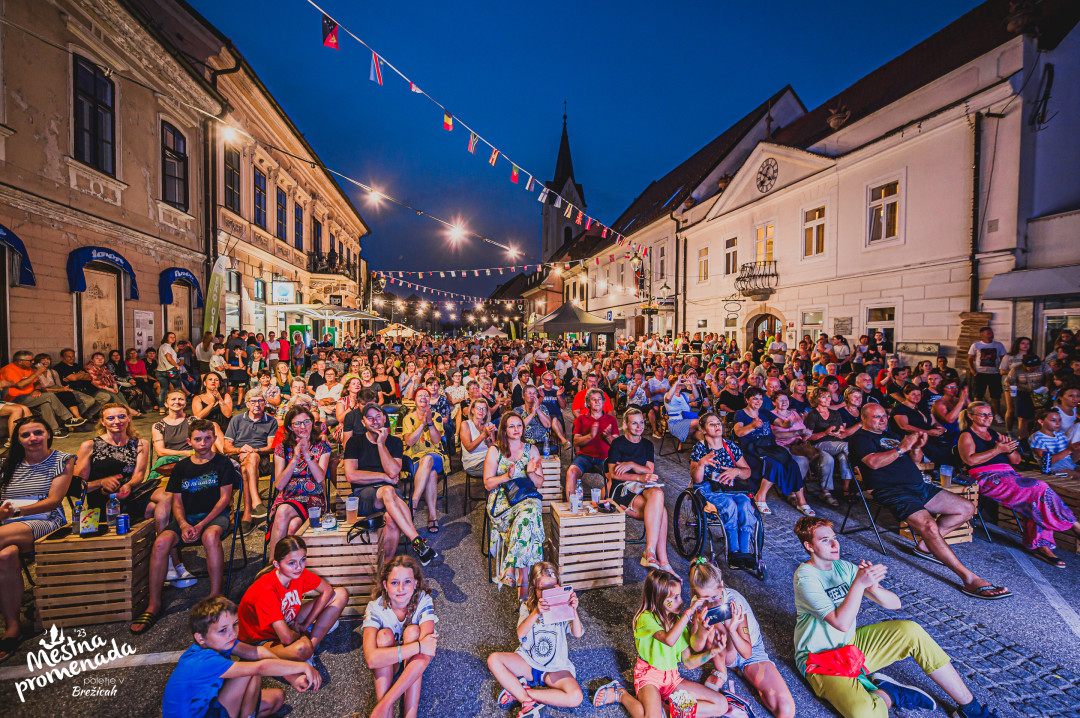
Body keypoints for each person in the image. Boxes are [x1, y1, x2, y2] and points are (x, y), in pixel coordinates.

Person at [792, 516, 998, 718]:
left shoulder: (843, 567)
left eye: (834, 537)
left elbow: (894, 604)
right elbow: (841, 623)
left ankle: (970, 708)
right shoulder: (805, 578)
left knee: (912, 631)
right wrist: (859, 584)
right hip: (819, 659)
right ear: (809, 546)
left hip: (850, 646)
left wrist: (873, 588)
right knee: (864, 715)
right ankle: (889, 692)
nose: (834, 543)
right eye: (825, 540)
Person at [850, 403, 1010, 599]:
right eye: (876, 417)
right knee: (929, 526)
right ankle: (969, 579)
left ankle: (926, 546)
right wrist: (901, 448)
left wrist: (916, 448)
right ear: (864, 419)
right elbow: (873, 463)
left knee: (967, 508)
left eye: (884, 415)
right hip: (893, 491)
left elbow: (914, 460)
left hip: (919, 487)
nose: (883, 420)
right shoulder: (860, 438)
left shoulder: (891, 434)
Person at [131, 419, 237, 635]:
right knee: (161, 542)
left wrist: (201, 524)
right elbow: (176, 501)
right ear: (190, 441)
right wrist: (183, 523)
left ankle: (215, 596)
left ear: (215, 439)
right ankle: (154, 603)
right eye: (198, 439)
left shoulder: (223, 463)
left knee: (210, 537)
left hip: (214, 517)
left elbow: (224, 499)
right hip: (187, 518)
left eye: (208, 438)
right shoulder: (182, 467)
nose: (204, 443)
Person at [958, 401, 1079, 568]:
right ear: (971, 416)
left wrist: (1008, 448)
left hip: (1009, 474)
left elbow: (1016, 460)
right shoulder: (967, 435)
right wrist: (997, 450)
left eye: (990, 414)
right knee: (1039, 488)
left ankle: (1041, 546)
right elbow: (969, 460)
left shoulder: (994, 434)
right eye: (982, 414)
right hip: (987, 477)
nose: (988, 418)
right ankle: (1072, 526)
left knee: (1037, 498)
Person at [161, 596, 319, 718]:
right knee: (252, 667)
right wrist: (304, 666)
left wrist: (292, 678)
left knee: (277, 698)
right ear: (200, 638)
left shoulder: (219, 642)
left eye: (235, 624)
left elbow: (260, 652)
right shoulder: (203, 661)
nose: (232, 633)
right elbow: (260, 666)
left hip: (209, 705)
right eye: (223, 630)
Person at [0, 417, 73, 662]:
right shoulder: (7, 463)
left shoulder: (62, 460)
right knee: (5, 555)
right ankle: (12, 627)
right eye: (25, 435)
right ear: (17, 440)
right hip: (7, 523)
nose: (32, 438)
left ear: (49, 434)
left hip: (45, 521)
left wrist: (17, 512)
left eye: (37, 432)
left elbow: (53, 501)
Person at [688, 559, 796, 718]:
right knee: (713, 629)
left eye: (714, 597)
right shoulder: (697, 604)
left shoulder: (734, 601)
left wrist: (732, 629)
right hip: (721, 652)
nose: (711, 603)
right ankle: (721, 671)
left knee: (785, 709)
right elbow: (696, 647)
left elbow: (747, 652)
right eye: (704, 598)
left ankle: (740, 670)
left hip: (750, 653)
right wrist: (702, 630)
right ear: (696, 593)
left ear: (722, 586)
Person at [343, 403, 436, 565]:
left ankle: (387, 566)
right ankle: (416, 540)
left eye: (378, 417)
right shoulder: (354, 443)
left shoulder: (394, 442)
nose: (375, 421)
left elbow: (393, 472)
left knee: (390, 518)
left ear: (385, 419)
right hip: (364, 496)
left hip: (392, 497)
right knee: (387, 490)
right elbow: (351, 475)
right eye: (370, 418)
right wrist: (383, 477)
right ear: (363, 422)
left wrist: (380, 444)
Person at [487, 561, 584, 718]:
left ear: (558, 585)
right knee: (493, 659)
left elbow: (578, 634)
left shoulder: (563, 606)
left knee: (576, 697)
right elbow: (520, 634)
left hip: (554, 669)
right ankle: (526, 700)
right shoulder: (528, 606)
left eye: (551, 588)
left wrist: (573, 610)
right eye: (542, 590)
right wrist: (536, 612)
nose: (547, 593)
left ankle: (520, 692)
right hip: (528, 664)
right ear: (534, 588)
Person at [631, 569, 729, 717]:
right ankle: (621, 695)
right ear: (659, 598)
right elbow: (669, 640)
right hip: (649, 678)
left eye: (680, 596)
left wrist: (713, 652)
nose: (682, 601)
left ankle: (667, 711)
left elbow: (689, 662)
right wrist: (689, 612)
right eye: (675, 597)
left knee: (721, 705)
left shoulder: (677, 622)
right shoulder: (646, 618)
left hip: (672, 680)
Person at [238, 535, 347, 665]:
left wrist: (304, 625)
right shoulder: (266, 589)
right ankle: (306, 647)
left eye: (302, 560)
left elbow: (327, 590)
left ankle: (310, 649)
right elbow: (286, 638)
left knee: (340, 594)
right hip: (261, 639)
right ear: (277, 564)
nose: (299, 567)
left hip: (287, 622)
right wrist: (297, 632)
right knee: (302, 648)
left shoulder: (297, 574)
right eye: (292, 562)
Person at [362, 555, 438, 718]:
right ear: (385, 584)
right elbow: (371, 660)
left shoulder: (424, 601)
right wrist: (419, 646)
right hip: (391, 659)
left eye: (407, 582)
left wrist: (386, 702)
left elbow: (426, 655)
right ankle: (386, 714)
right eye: (394, 582)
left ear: (416, 582)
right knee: (383, 635)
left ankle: (395, 710)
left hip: (412, 661)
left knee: (412, 632)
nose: (401, 588)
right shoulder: (375, 608)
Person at [483, 412, 545, 599]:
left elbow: (539, 483)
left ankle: (511, 568)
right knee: (528, 521)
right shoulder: (495, 450)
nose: (516, 429)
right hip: (502, 501)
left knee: (528, 513)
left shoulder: (531, 450)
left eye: (519, 425)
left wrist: (531, 473)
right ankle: (523, 580)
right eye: (511, 426)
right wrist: (506, 477)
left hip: (526, 497)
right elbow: (487, 484)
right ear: (504, 429)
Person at [689, 413, 759, 569]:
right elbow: (697, 479)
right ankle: (733, 550)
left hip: (731, 488)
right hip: (709, 489)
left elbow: (747, 471)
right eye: (711, 424)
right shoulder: (700, 447)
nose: (716, 426)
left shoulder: (731, 446)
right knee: (729, 505)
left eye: (718, 423)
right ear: (704, 429)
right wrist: (701, 464)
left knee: (745, 504)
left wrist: (736, 471)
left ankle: (745, 551)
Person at [607, 408, 671, 573]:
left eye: (641, 422)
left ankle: (650, 551)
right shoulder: (618, 443)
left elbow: (649, 470)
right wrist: (637, 476)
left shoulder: (647, 444)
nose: (639, 426)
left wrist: (632, 465)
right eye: (634, 423)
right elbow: (614, 474)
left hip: (643, 485)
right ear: (626, 425)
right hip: (622, 488)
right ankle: (662, 560)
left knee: (658, 492)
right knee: (661, 512)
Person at [733, 387, 811, 516]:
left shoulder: (764, 412)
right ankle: (760, 497)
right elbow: (738, 432)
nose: (758, 401)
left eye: (760, 398)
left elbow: (782, 424)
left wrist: (792, 422)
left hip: (768, 447)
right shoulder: (741, 413)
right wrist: (752, 426)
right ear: (747, 399)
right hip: (751, 449)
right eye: (755, 398)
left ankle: (801, 501)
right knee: (775, 464)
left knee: (792, 464)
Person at [267, 407, 331, 554]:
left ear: (312, 422)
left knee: (283, 512)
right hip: (287, 497)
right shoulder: (281, 448)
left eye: (306, 422)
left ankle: (274, 564)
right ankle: (288, 567)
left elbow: (320, 478)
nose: (303, 427)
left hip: (313, 500)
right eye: (297, 423)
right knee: (293, 525)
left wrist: (308, 457)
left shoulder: (322, 447)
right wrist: (295, 458)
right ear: (289, 427)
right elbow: (279, 484)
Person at [74, 403, 153, 515]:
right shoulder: (90, 446)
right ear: (102, 422)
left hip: (129, 495)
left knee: (164, 501)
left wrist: (128, 485)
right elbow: (77, 486)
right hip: (102, 501)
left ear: (129, 418)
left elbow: (139, 475)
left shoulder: (140, 444)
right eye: (110, 418)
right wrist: (101, 483)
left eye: (121, 416)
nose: (117, 421)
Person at [223, 387, 278, 534]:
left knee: (251, 459)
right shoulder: (237, 420)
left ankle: (249, 511)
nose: (257, 404)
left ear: (265, 403)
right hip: (238, 459)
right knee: (246, 466)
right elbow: (226, 447)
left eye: (260, 401)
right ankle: (254, 505)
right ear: (247, 404)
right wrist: (240, 450)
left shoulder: (271, 421)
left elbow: (271, 447)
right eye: (253, 401)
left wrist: (254, 451)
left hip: (262, 459)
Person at [1, 351, 81, 437]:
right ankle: (68, 419)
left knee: (45, 404)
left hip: (31, 396)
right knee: (49, 396)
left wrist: (37, 390)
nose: (32, 362)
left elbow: (36, 383)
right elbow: (20, 385)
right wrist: (37, 372)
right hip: (15, 398)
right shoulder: (9, 369)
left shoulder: (28, 368)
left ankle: (53, 431)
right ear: (20, 361)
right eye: (29, 360)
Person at [402, 387, 447, 534]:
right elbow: (409, 442)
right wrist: (421, 423)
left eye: (426, 395)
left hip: (435, 454)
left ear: (429, 399)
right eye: (420, 395)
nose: (423, 397)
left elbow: (436, 440)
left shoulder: (437, 416)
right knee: (432, 474)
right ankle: (433, 517)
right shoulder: (408, 418)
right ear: (414, 400)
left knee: (428, 459)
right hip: (414, 457)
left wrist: (429, 423)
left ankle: (413, 503)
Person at [567, 389, 619, 503]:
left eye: (599, 399)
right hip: (585, 457)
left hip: (605, 459)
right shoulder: (581, 418)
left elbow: (618, 446)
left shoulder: (611, 419)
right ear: (588, 403)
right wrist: (590, 436)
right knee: (571, 472)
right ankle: (571, 506)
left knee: (615, 477)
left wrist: (608, 436)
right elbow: (576, 441)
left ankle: (605, 504)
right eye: (593, 399)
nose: (597, 401)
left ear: (603, 402)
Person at [889, 383, 953, 465]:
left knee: (948, 446)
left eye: (919, 395)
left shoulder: (922, 407)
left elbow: (933, 422)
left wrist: (940, 428)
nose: (917, 397)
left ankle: (948, 472)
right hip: (914, 438)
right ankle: (934, 471)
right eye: (913, 394)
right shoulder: (900, 409)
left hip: (930, 436)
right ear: (906, 394)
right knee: (934, 450)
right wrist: (927, 432)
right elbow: (904, 426)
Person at [1005, 353, 1052, 439]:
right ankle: (1023, 439)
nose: (1033, 369)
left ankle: (1036, 437)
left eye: (1035, 367)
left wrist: (1046, 388)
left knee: (1038, 416)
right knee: (1023, 417)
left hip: (1040, 392)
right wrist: (1011, 388)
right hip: (1023, 393)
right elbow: (1008, 381)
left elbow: (1050, 377)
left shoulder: (1044, 366)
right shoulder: (1016, 369)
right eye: (1030, 368)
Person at [966, 327, 1006, 422]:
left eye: (991, 333)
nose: (991, 335)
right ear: (982, 335)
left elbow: (1003, 358)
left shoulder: (998, 345)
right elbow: (970, 359)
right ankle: (976, 414)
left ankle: (996, 415)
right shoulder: (976, 345)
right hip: (980, 374)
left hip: (995, 374)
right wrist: (973, 371)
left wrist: (1002, 370)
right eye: (988, 333)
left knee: (995, 396)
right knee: (978, 395)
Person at [1029, 408, 1080, 479]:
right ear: (1041, 422)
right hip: (1053, 470)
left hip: (1070, 466)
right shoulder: (1037, 437)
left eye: (1060, 420)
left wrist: (1077, 450)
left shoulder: (1061, 436)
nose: (1058, 423)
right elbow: (1047, 462)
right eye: (1053, 420)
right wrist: (1069, 450)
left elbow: (1072, 459)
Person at [460, 397, 496, 476]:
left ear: (486, 411)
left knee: (507, 464)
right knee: (498, 469)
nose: (481, 411)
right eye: (478, 408)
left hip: (489, 459)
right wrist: (483, 434)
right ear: (472, 410)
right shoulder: (466, 424)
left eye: (484, 409)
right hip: (473, 463)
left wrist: (488, 441)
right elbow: (469, 448)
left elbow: (493, 449)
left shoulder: (488, 424)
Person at [663, 374, 700, 449]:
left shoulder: (684, 395)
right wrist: (677, 382)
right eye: (676, 385)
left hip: (686, 419)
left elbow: (696, 396)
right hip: (675, 422)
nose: (678, 387)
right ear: (672, 386)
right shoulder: (667, 395)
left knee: (700, 433)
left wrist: (692, 384)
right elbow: (668, 399)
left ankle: (702, 449)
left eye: (679, 385)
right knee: (698, 422)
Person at [157, 333, 184, 412]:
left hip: (161, 371)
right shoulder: (167, 347)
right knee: (177, 388)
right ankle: (177, 406)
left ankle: (161, 408)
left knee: (163, 389)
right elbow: (169, 358)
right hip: (171, 370)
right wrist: (176, 365)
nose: (173, 339)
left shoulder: (162, 346)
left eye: (174, 337)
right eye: (170, 337)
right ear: (166, 338)